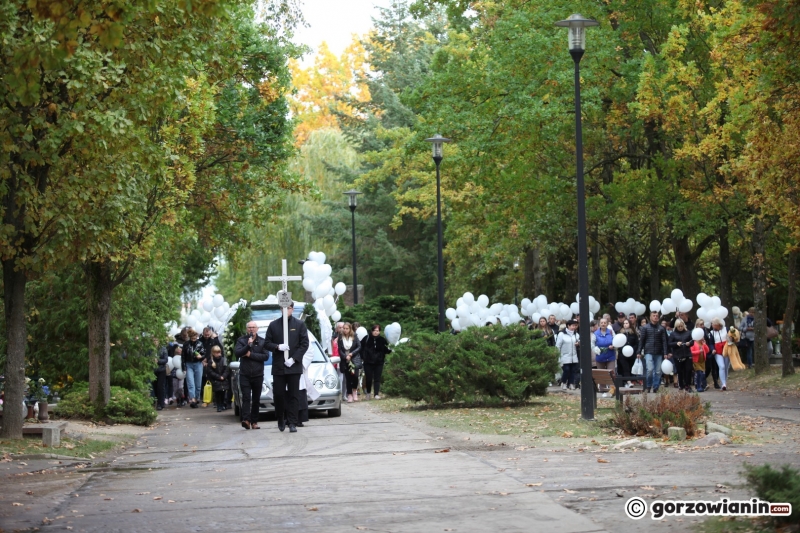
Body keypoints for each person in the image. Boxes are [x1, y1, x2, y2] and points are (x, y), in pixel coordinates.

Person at [264, 304, 309, 433]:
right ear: (280, 310)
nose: (286, 310)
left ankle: (292, 422)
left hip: (293, 366)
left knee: (294, 395)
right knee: (278, 394)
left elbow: (304, 344)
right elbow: (267, 343)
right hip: (279, 366)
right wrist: (277, 347)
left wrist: (294, 358)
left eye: (288, 308)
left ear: (292, 309)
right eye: (283, 308)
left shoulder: (299, 324)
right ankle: (280, 418)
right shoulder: (273, 325)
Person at [234, 321, 270, 430]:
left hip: (258, 374)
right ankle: (246, 420)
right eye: (249, 327)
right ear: (246, 329)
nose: (251, 329)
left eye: (253, 327)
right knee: (246, 397)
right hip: (245, 374)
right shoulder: (241, 340)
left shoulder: (262, 341)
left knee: (256, 399)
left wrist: (250, 355)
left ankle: (254, 421)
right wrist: (247, 346)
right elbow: (238, 353)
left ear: (257, 329)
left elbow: (265, 356)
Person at [638, 311, 669, 393]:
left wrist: (665, 353)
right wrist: (639, 352)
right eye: (654, 315)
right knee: (650, 369)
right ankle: (648, 385)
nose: (655, 317)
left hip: (659, 352)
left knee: (658, 371)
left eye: (657, 316)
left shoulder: (662, 328)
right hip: (648, 351)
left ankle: (656, 386)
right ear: (650, 317)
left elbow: (664, 341)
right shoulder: (645, 328)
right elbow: (642, 341)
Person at [362, 324, 391, 400]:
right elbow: (360, 348)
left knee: (377, 378)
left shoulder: (382, 340)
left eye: (377, 331)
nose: (375, 332)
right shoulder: (366, 338)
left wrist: (391, 349)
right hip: (368, 362)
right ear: (372, 331)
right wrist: (363, 357)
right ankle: (368, 393)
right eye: (374, 330)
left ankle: (376, 394)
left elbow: (386, 350)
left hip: (379, 362)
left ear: (379, 331)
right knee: (369, 378)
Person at [338, 322, 362, 402]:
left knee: (355, 376)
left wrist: (351, 354)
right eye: (344, 328)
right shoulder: (340, 337)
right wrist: (345, 356)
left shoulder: (354, 336)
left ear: (350, 329)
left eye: (346, 328)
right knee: (348, 378)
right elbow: (340, 349)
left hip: (354, 359)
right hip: (345, 360)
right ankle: (349, 394)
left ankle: (354, 390)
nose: (345, 330)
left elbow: (359, 346)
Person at [695, 318, 720, 389]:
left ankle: (715, 382)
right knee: (705, 368)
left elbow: (710, 340)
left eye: (703, 324)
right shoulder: (695, 332)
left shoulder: (706, 331)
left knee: (713, 367)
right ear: (697, 325)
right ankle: (701, 381)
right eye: (701, 325)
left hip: (708, 350)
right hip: (700, 352)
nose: (702, 326)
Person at [183, 329, 205, 408]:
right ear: (190, 337)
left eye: (195, 337)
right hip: (189, 364)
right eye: (192, 338)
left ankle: (197, 397)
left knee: (198, 384)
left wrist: (201, 357)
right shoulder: (186, 344)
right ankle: (193, 399)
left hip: (198, 364)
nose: (194, 339)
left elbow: (204, 354)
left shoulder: (200, 344)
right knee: (191, 383)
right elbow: (183, 356)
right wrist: (183, 367)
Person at [669, 319, 693, 391]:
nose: (680, 328)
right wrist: (676, 343)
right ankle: (681, 385)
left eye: (681, 326)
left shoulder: (688, 332)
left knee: (688, 370)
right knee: (680, 371)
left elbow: (693, 341)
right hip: (678, 355)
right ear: (676, 326)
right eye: (678, 326)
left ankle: (687, 385)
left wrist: (689, 343)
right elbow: (669, 343)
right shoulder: (673, 334)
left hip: (687, 354)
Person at [557, 319, 580, 390]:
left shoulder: (576, 334)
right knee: (566, 370)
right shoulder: (561, 334)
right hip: (565, 356)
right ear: (568, 326)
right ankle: (563, 382)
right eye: (572, 325)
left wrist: (578, 343)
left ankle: (571, 383)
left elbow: (579, 341)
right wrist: (558, 357)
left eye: (575, 326)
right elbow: (558, 346)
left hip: (573, 356)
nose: (574, 327)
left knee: (573, 370)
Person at [206, 346, 230, 412]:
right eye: (216, 352)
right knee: (217, 394)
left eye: (219, 352)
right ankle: (219, 405)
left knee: (223, 393)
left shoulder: (223, 360)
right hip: (216, 380)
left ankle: (223, 404)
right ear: (213, 353)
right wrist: (218, 377)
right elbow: (210, 372)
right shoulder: (211, 361)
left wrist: (224, 376)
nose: (218, 354)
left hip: (224, 380)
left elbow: (226, 369)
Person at [710, 318, 730, 391]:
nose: (712, 325)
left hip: (726, 351)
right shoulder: (712, 333)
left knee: (726, 367)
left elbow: (731, 337)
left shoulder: (726, 329)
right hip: (717, 352)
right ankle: (723, 384)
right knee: (721, 366)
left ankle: (724, 382)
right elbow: (711, 343)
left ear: (717, 324)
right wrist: (712, 349)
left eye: (713, 324)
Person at [617, 319, 639, 385]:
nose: (625, 324)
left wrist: (633, 349)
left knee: (630, 367)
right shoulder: (619, 333)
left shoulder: (633, 334)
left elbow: (637, 343)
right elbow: (618, 343)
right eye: (624, 323)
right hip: (622, 354)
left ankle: (628, 381)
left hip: (631, 354)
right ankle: (628, 381)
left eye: (627, 323)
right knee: (625, 367)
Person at [154, 337, 169, 410]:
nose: (155, 342)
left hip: (161, 370)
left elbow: (166, 360)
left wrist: (158, 361)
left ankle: (161, 403)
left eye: (156, 340)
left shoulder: (163, 348)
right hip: (153, 370)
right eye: (153, 340)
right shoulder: (149, 349)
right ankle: (156, 402)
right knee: (154, 386)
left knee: (160, 386)